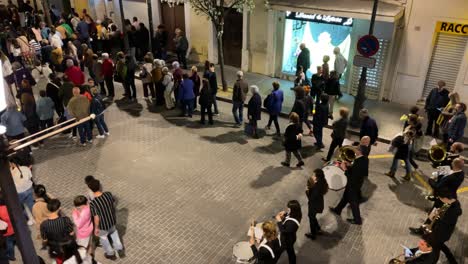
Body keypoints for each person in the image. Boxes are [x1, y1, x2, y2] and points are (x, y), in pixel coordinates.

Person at [89, 179, 125, 260]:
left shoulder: (93, 203)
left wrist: (96, 228)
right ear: (100, 186)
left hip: (103, 225)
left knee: (104, 239)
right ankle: (120, 250)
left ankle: (110, 254)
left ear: (91, 189)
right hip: (112, 221)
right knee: (114, 234)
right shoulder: (108, 194)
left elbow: (96, 217)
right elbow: (113, 202)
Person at [330, 147, 368, 225]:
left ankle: (357, 220)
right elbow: (362, 172)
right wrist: (349, 165)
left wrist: (345, 169)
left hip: (353, 184)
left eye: (356, 150)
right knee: (346, 197)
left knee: (353, 202)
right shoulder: (365, 159)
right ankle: (338, 209)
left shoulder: (358, 162)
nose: (354, 151)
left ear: (359, 151)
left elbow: (352, 177)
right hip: (358, 183)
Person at [305, 169, 328, 240]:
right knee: (313, 217)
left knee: (311, 218)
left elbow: (311, 199)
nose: (312, 176)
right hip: (319, 203)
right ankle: (318, 228)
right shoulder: (322, 182)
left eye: (313, 175)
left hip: (314, 206)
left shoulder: (316, 187)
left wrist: (307, 190)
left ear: (317, 177)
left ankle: (313, 234)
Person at [0, 195, 15, 261]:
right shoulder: (9, 208)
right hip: (14, 228)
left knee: (9, 244)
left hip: (7, 232)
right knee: (13, 240)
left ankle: (11, 256)